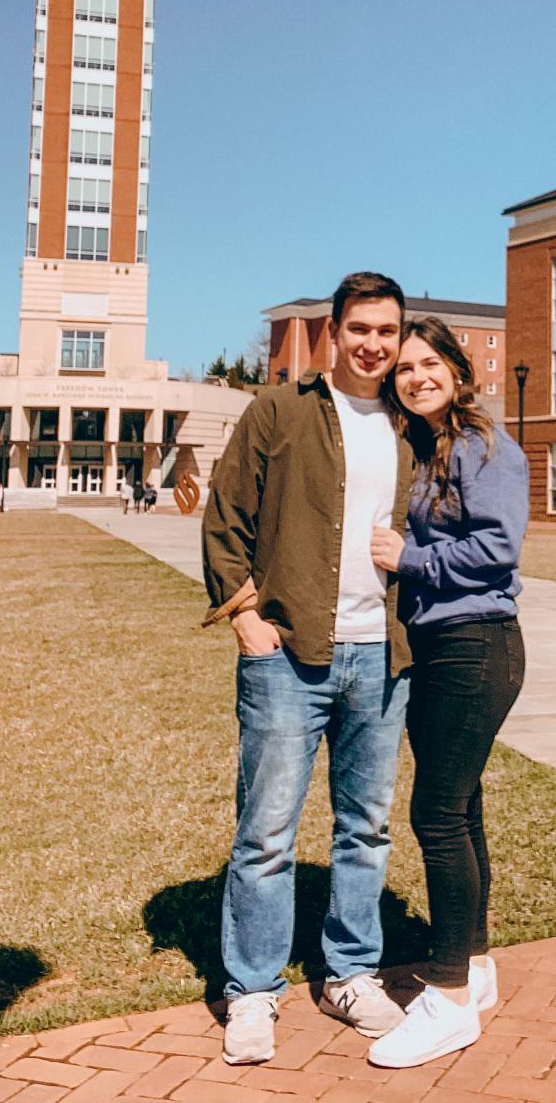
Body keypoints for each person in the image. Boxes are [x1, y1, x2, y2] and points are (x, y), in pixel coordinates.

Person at [202, 271, 414, 1067]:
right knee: (266, 833)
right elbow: (227, 516)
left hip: (380, 656)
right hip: (290, 655)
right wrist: (248, 621)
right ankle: (252, 990)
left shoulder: (408, 424)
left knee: (366, 827)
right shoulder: (280, 411)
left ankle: (351, 972)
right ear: (332, 331)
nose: (373, 345)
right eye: (360, 328)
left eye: (386, 332)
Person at [367, 317, 528, 1070]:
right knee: (460, 808)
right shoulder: (429, 450)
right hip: (437, 647)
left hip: (477, 645)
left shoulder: (484, 447)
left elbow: (498, 548)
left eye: (430, 363)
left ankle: (450, 998)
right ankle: (478, 963)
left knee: (435, 812)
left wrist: (411, 555)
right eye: (404, 368)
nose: (416, 376)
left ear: (458, 371)